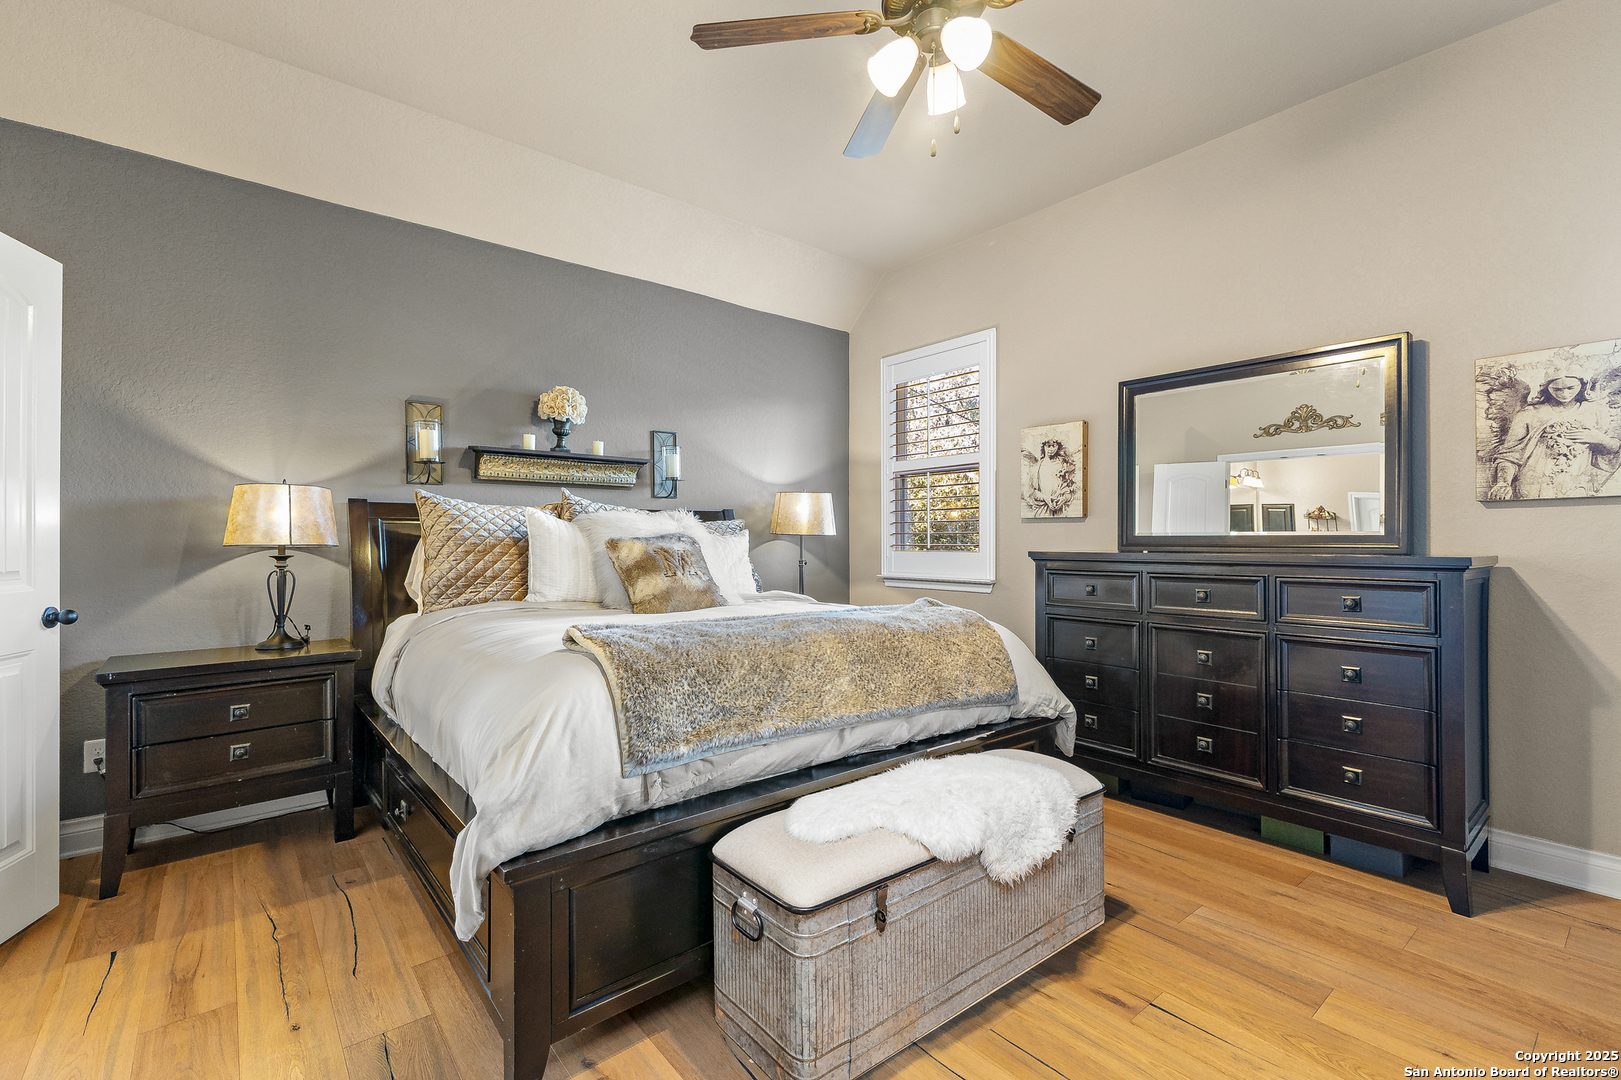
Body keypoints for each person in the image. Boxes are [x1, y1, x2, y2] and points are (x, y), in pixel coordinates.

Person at [1487, 375, 1621, 499]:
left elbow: (1614, 450)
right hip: (1533, 486)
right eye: (1557, 389)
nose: (1564, 394)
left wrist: (1600, 439)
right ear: (1547, 387)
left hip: (1577, 485)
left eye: (1570, 388)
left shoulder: (1594, 411)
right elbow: (1509, 455)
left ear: (1582, 384)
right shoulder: (1529, 414)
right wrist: (1503, 483)